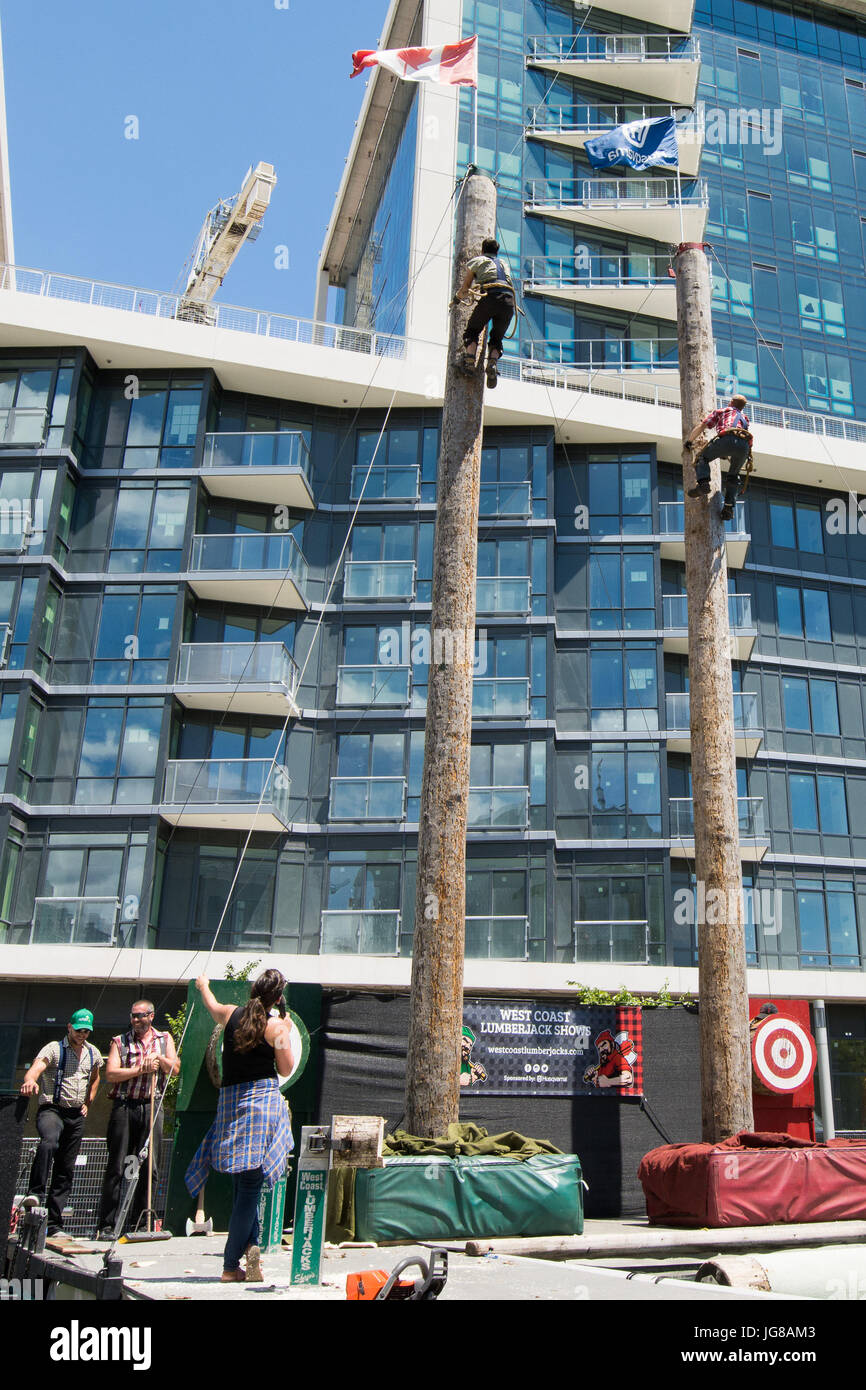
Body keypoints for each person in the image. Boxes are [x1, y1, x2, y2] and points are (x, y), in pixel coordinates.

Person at [185, 970, 294, 1284]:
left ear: (253, 991)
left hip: (231, 1106)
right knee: (250, 1186)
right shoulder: (275, 1027)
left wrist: (203, 985)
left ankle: (252, 1246)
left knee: (242, 1182)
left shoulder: (232, 1015)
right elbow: (285, 1068)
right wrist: (285, 1030)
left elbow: (212, 1005)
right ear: (277, 998)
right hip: (260, 1106)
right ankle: (230, 1265)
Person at [97, 999, 179, 1239]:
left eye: (140, 1016)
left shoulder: (164, 1040)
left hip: (152, 1106)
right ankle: (107, 1225)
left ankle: (141, 1223)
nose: (136, 1020)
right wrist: (139, 1070)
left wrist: (159, 1060)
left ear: (151, 1016)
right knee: (117, 1165)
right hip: (125, 1106)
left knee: (149, 1166)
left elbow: (175, 1068)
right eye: (133, 1016)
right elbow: (111, 1073)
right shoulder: (119, 1041)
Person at [18, 1009, 103, 1239]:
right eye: (78, 1030)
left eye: (86, 1031)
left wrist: (88, 1102)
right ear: (69, 1027)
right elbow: (35, 1069)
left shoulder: (93, 1053)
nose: (82, 1035)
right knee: (49, 1142)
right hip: (52, 1109)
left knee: (66, 1168)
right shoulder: (54, 1049)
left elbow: (95, 1078)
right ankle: (34, 1193)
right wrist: (29, 1082)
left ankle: (54, 1225)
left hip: (76, 1114)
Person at [452, 237, 515, 388]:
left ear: (482, 250)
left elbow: (466, 288)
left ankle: (469, 363)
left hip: (490, 297)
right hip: (508, 302)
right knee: (497, 338)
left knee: (472, 331)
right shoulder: (504, 264)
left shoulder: (478, 260)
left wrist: (456, 299)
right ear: (497, 252)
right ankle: (492, 364)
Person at [683, 394, 754, 521]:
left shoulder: (723, 410)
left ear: (731, 402)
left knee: (702, 458)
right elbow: (737, 438)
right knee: (733, 476)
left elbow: (702, 426)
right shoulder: (745, 418)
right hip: (744, 446)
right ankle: (728, 508)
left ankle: (703, 483)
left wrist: (689, 441)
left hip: (726, 439)